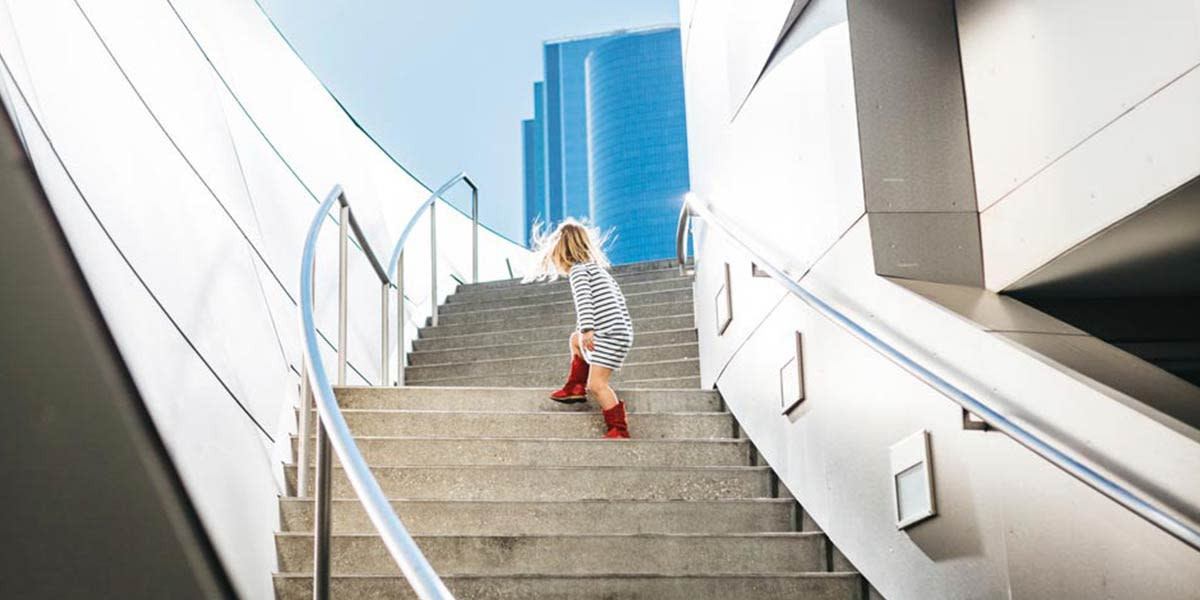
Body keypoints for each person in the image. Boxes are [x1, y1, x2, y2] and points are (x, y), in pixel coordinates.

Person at [524, 219, 633, 439]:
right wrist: (583, 333)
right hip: (618, 332)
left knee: (597, 384)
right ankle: (575, 387)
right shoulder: (598, 271)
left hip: (609, 334)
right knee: (574, 339)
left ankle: (618, 428)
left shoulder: (578, 272)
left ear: (562, 252)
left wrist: (588, 329)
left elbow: (584, 302)